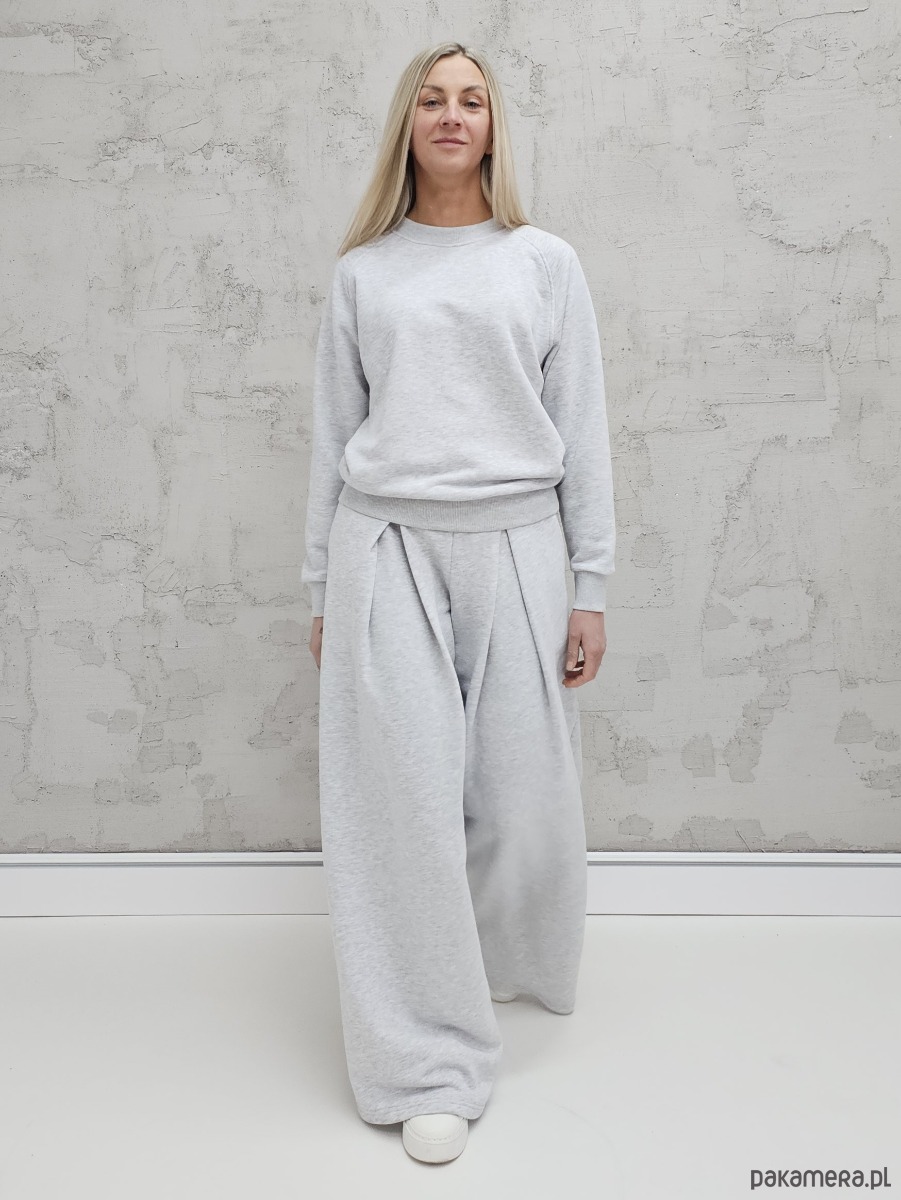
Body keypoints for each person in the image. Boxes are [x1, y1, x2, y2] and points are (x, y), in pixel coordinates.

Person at [300, 41, 616, 1164]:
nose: (450, 114)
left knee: (521, 798)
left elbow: (582, 427)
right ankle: (426, 1061)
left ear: (492, 127)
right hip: (385, 543)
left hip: (520, 543)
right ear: (408, 123)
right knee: (402, 806)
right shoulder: (364, 272)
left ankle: (485, 961)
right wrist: (324, 587)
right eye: (431, 99)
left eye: (471, 100)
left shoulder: (543, 262)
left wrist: (590, 585)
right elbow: (333, 438)